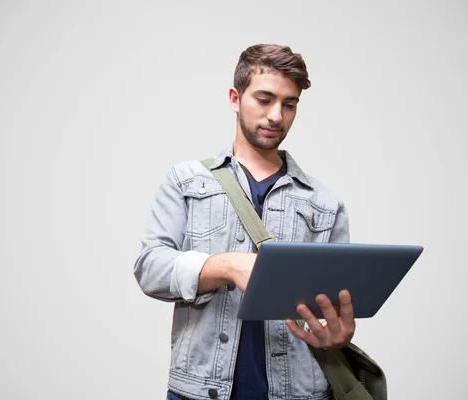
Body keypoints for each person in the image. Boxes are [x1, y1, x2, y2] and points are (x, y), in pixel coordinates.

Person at [133, 44, 356, 400]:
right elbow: (150, 269)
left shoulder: (325, 203)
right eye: (264, 99)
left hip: (298, 393)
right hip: (200, 391)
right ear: (235, 98)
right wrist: (226, 266)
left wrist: (337, 334)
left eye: (289, 104)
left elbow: (335, 303)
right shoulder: (186, 179)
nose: (276, 116)